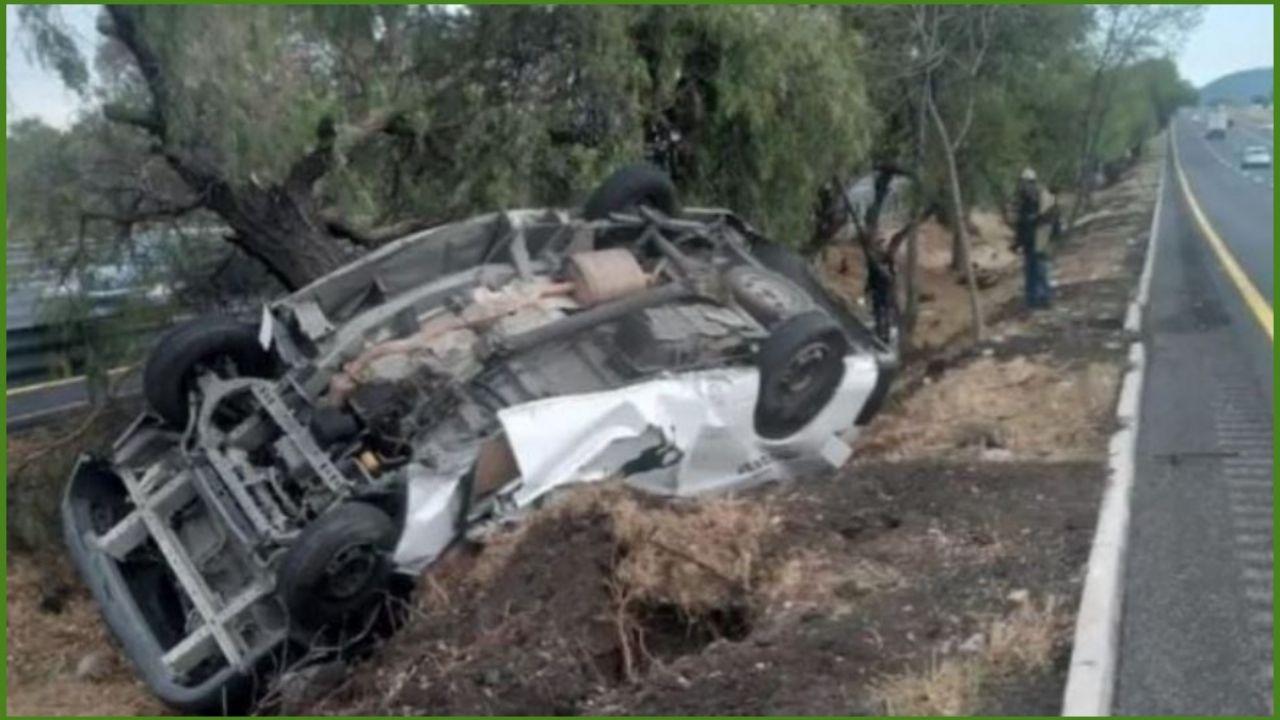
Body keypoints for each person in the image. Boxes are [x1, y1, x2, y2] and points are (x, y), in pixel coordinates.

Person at [1012, 167, 1052, 309]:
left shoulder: (1042, 195)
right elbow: (1020, 224)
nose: (1023, 185)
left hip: (1041, 236)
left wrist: (1034, 220)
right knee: (1030, 270)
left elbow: (1049, 217)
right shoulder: (1023, 198)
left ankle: (1045, 298)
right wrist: (1017, 242)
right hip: (1030, 239)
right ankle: (1032, 301)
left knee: (1040, 268)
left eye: (1025, 182)